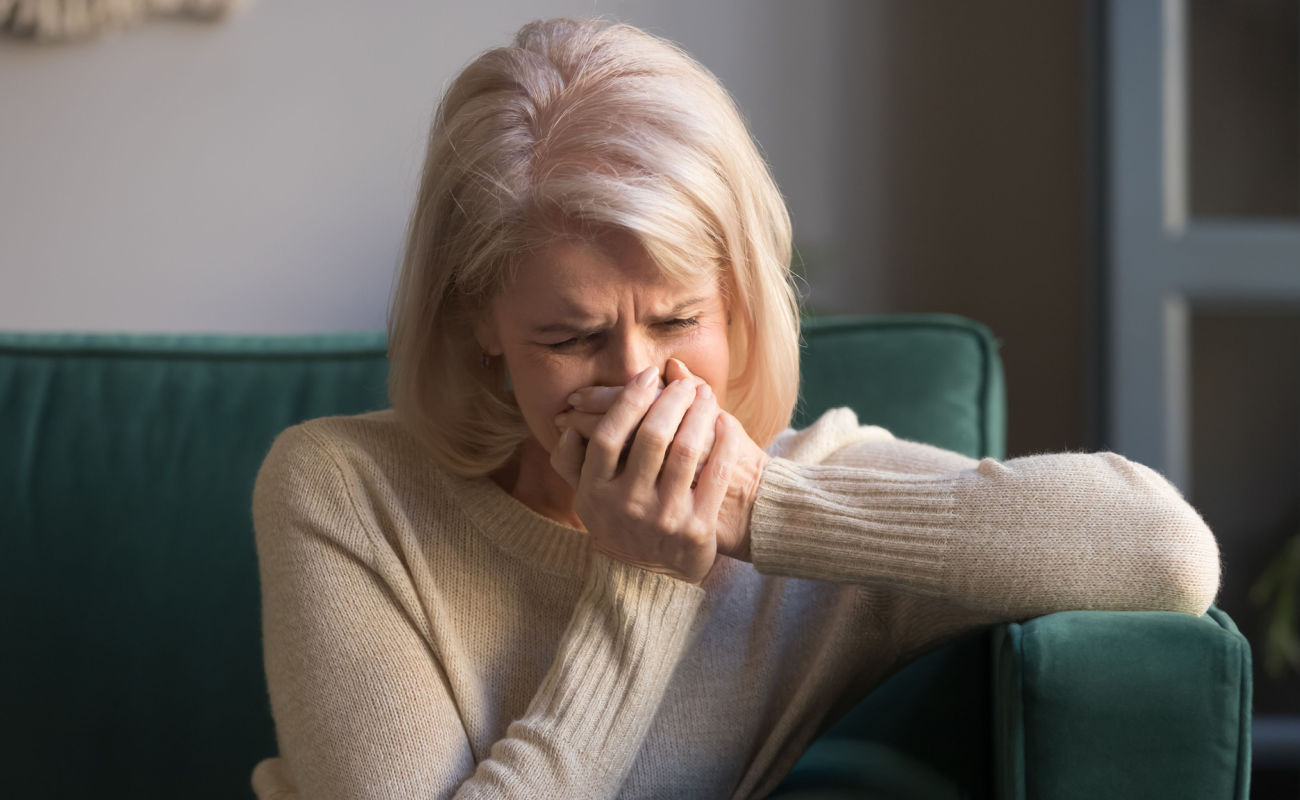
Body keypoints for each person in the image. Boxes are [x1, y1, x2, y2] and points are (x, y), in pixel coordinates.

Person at [249, 17, 1221, 800]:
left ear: (741, 297)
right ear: (479, 323)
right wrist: (643, 581)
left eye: (678, 318)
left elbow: (1165, 551)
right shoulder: (347, 491)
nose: (639, 381)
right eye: (569, 337)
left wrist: (753, 509)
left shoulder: (814, 505)